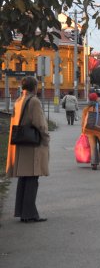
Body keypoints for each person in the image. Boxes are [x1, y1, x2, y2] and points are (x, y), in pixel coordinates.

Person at [6, 76, 50, 223]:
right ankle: (30, 214)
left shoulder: (18, 100)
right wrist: (46, 138)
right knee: (32, 178)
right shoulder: (34, 101)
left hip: (21, 143)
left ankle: (22, 211)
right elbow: (40, 124)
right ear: (35, 87)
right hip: (33, 145)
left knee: (24, 178)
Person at [82, 93, 100, 170]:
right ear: (96, 98)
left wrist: (83, 131)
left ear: (89, 99)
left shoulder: (86, 108)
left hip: (90, 130)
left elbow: (84, 121)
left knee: (93, 147)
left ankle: (94, 163)